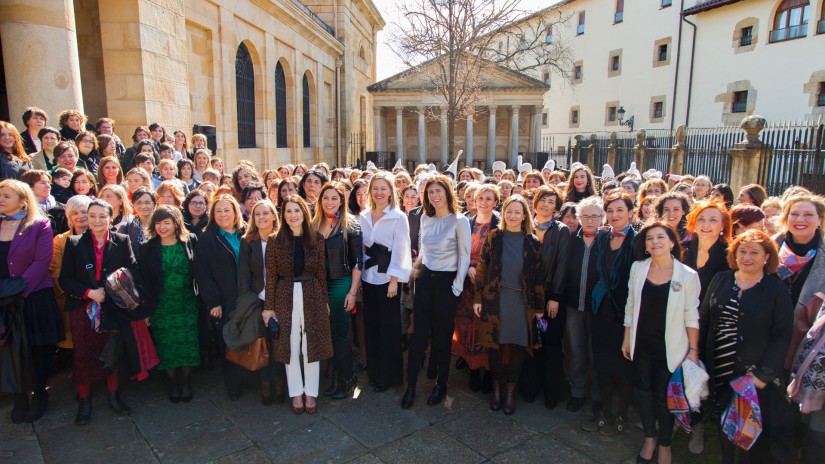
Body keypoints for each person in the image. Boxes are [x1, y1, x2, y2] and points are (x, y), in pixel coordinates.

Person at [700, 229, 793, 463]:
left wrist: (764, 374)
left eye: (754, 252)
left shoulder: (776, 289)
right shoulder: (721, 279)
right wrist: (698, 358)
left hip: (752, 374)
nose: (747, 257)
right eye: (742, 251)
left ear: (766, 257)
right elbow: (704, 320)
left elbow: (782, 335)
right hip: (718, 366)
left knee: (749, 429)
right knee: (723, 418)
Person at [59, 199, 151, 425]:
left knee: (112, 352)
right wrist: (89, 292)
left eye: (102, 216)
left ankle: (113, 396)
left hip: (113, 306)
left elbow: (132, 270)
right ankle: (84, 401)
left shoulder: (121, 240)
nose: (97, 220)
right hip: (84, 307)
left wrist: (116, 289)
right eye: (92, 216)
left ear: (111, 218)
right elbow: (65, 279)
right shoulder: (73, 243)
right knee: (84, 354)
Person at [622, 221, 701, 464]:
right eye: (649, 238)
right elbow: (631, 304)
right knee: (644, 392)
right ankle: (649, 439)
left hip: (672, 348)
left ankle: (665, 445)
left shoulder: (687, 275)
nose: (654, 242)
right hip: (642, 343)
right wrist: (627, 337)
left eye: (660, 237)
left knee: (663, 397)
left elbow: (692, 314)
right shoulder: (638, 268)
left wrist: (694, 350)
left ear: (671, 242)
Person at [402, 175, 471, 409]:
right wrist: (414, 272)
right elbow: (423, 249)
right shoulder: (425, 218)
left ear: (447, 192)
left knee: (442, 338)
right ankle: (410, 386)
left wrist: (456, 287)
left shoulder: (459, 221)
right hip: (424, 282)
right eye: (430, 192)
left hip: (447, 284)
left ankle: (441, 385)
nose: (434, 195)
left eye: (438, 190)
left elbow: (464, 257)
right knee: (418, 336)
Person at [473, 195, 545, 415]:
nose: (513, 216)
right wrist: (478, 298)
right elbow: (482, 267)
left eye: (517, 212)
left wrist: (539, 306)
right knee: (495, 345)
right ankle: (496, 390)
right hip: (496, 299)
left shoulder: (532, 242)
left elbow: (539, 275)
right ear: (503, 214)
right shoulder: (495, 237)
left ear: (525, 216)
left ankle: (511, 392)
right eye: (509, 211)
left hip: (521, 302)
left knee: (516, 347)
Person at [0, 180, 64, 423]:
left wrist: (17, 290)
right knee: (10, 349)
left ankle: (39, 393)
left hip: (32, 296)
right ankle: (19, 395)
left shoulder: (39, 225)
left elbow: (41, 262)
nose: (1, 198)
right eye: (0, 194)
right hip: (3, 299)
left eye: (7, 195)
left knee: (38, 349)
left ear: (23, 200)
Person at [264, 195, 331, 414]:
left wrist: (325, 302)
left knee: (310, 345)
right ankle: (296, 393)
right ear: (283, 215)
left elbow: (321, 273)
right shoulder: (275, 240)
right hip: (285, 294)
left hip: (312, 293)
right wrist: (269, 306)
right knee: (290, 345)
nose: (293, 215)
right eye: (289, 211)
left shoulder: (317, 239)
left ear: (304, 212)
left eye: (297, 210)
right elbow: (271, 276)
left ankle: (311, 392)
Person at [586, 191, 637, 435]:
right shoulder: (603, 237)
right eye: (611, 210)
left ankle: (622, 415)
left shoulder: (638, 241)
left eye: (620, 210)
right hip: (601, 310)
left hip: (625, 313)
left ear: (630, 212)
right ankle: (605, 412)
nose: (614, 215)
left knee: (624, 367)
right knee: (602, 364)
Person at [138, 206, 199, 403]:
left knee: (187, 342)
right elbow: (144, 280)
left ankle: (187, 380)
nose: (162, 227)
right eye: (158, 223)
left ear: (176, 223)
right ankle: (172, 381)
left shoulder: (189, 241)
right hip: (161, 305)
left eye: (167, 222)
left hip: (187, 301)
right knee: (167, 344)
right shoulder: (147, 247)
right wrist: (146, 309)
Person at [358, 172, 412, 393]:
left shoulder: (399, 217)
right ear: (370, 191)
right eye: (375, 188)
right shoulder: (363, 216)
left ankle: (389, 375)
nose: (379, 192)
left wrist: (394, 281)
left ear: (391, 191)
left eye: (383, 188)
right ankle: (374, 371)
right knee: (371, 326)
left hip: (388, 279)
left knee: (388, 328)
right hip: (367, 278)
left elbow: (401, 249)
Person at [312, 183, 363, 400]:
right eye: (326, 198)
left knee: (339, 332)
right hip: (317, 284)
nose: (329, 202)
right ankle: (335, 377)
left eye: (334, 198)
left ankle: (348, 378)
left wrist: (352, 292)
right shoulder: (313, 224)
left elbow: (358, 262)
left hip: (341, 282)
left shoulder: (350, 225)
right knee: (326, 332)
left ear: (341, 200)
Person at [194, 194, 246, 399]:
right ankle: (233, 386)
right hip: (225, 299)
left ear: (235, 212)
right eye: (218, 211)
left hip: (248, 295)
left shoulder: (246, 232)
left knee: (250, 336)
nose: (223, 214)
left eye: (227, 210)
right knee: (229, 341)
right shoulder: (207, 239)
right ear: (212, 215)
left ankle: (251, 378)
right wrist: (213, 302)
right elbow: (203, 274)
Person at [238, 200, 286, 404]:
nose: (261, 218)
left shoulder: (285, 239)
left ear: (274, 216)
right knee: (264, 346)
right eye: (257, 214)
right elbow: (244, 275)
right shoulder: (248, 241)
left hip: (283, 300)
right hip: (259, 300)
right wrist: (249, 303)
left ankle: (281, 385)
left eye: (266, 213)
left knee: (280, 346)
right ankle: (266, 387)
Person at [453, 184, 499, 393]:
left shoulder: (500, 224)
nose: (484, 202)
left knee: (487, 329)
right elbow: (458, 250)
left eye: (489, 199)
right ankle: (472, 368)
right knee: (466, 326)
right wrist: (469, 267)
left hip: (489, 284)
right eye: (481, 198)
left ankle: (489, 371)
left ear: (496, 202)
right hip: (467, 283)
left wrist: (480, 270)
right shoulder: (466, 222)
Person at [564, 196, 603, 413]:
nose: (590, 220)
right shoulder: (571, 239)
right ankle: (577, 391)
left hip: (598, 308)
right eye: (585, 216)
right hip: (573, 305)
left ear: (601, 218)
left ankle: (597, 394)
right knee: (576, 350)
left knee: (595, 351)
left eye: (594, 216)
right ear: (579, 218)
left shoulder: (607, 240)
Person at [50, 195, 92, 353]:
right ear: (69, 217)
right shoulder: (60, 240)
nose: (80, 216)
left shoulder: (102, 236)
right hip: (71, 297)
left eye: (84, 212)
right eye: (75, 213)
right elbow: (55, 270)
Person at [20, 169, 68, 235]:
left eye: (48, 182)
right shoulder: (19, 210)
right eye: (42, 183)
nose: (48, 186)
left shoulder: (62, 209)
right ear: (29, 186)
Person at [118, 188, 156, 260]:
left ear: (154, 204)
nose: (143, 206)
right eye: (139, 203)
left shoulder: (161, 226)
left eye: (147, 202)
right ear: (133, 205)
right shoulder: (125, 228)